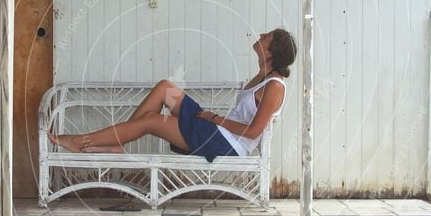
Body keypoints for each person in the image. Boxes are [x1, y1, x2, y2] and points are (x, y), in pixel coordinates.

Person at [47, 28, 297, 161]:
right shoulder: (261, 77)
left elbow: (253, 132)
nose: (261, 35)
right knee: (165, 89)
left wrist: (215, 119)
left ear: (270, 52)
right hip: (217, 131)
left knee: (151, 122)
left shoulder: (274, 86)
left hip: (226, 144)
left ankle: (82, 142)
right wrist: (214, 121)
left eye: (267, 37)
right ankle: (115, 144)